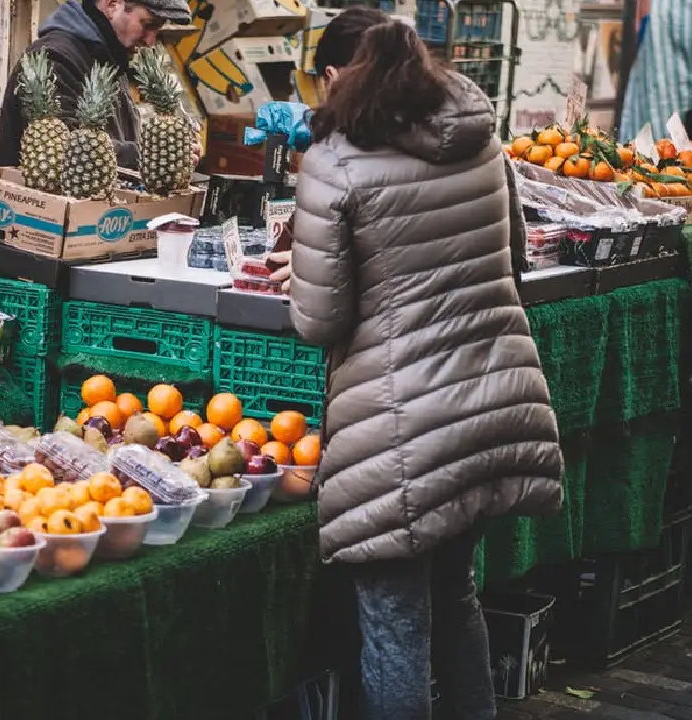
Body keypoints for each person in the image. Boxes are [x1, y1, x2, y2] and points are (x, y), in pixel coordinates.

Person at [269, 7, 564, 720]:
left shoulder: (335, 162)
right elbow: (512, 258)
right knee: (454, 597)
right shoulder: (479, 140)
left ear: (339, 75)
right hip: (494, 403)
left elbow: (318, 320)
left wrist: (306, 274)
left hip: (404, 427)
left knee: (395, 628)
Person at [0, 0, 190, 171]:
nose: (151, 41)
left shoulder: (109, 56)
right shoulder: (55, 58)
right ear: (112, 4)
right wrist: (156, 154)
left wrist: (170, 148)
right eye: (147, 24)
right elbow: (67, 151)